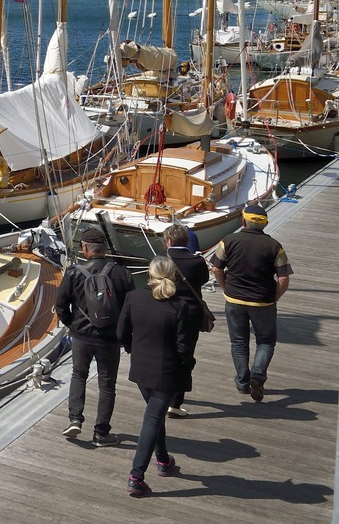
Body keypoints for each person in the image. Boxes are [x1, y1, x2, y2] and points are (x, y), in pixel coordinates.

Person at [118, 256, 202, 497]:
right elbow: (184, 347)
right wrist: (186, 364)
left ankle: (163, 461)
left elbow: (121, 333)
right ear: (174, 275)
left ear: (149, 274)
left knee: (155, 415)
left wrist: (134, 349)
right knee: (153, 419)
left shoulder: (134, 298)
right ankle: (136, 476)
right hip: (167, 371)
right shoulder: (180, 306)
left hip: (142, 369)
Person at [56, 227, 136, 446]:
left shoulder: (73, 273)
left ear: (84, 248)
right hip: (110, 338)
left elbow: (60, 305)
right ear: (105, 248)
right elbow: (131, 309)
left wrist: (72, 325)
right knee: (107, 385)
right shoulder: (122, 273)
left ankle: (75, 419)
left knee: (78, 375)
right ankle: (101, 433)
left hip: (81, 336)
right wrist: (125, 336)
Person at [210, 201, 292, 401]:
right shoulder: (275, 246)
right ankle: (258, 375)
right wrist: (274, 298)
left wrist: (225, 288)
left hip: (234, 300)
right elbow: (283, 278)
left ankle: (242, 381)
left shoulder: (228, 241)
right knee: (265, 341)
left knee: (238, 342)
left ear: (243, 221)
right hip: (263, 302)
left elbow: (216, 268)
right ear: (265, 224)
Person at [162, 223, 210, 418]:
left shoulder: (162, 260)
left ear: (169, 241)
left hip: (165, 313)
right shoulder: (197, 262)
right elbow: (204, 280)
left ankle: (162, 391)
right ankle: (175, 402)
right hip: (190, 315)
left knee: (165, 352)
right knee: (184, 356)